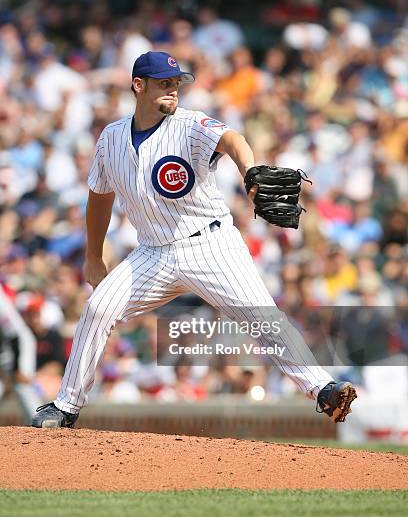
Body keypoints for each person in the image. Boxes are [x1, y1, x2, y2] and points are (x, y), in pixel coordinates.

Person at [32, 51, 357, 428]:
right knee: (98, 308)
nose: (173, 91)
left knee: (263, 320)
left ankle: (323, 390)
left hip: (209, 246)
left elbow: (232, 139)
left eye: (176, 84)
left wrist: (250, 171)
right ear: (139, 86)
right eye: (164, 84)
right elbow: (99, 197)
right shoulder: (111, 138)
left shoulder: (188, 126)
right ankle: (66, 407)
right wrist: (93, 255)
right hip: (152, 253)